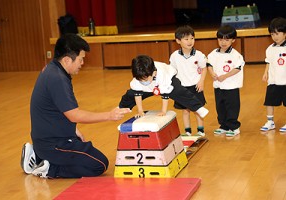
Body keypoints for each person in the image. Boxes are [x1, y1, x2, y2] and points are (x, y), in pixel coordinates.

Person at [20, 33, 131, 179]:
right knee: (99, 164)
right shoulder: (57, 79)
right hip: (52, 143)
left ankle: (39, 156)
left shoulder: (51, 69)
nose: (82, 63)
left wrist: (74, 129)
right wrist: (109, 115)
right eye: (81, 59)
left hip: (48, 138)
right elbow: (74, 114)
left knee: (84, 152)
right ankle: (48, 169)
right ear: (67, 60)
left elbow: (57, 108)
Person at [118, 55, 209, 119]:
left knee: (178, 91)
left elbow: (165, 94)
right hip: (151, 85)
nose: (143, 82)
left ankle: (198, 107)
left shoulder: (162, 74)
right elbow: (137, 94)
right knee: (130, 94)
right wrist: (140, 111)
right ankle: (121, 107)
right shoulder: (139, 78)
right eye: (141, 80)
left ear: (153, 73)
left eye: (145, 79)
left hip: (169, 79)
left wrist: (163, 111)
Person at [207, 25, 245, 137]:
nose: (223, 42)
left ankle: (234, 126)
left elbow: (237, 68)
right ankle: (223, 125)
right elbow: (209, 64)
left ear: (233, 40)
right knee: (220, 106)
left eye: (227, 39)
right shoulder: (214, 53)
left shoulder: (235, 55)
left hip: (231, 86)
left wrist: (225, 76)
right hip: (218, 86)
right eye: (220, 39)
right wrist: (212, 73)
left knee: (232, 106)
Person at [169, 25, 207, 137]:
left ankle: (200, 130)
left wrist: (201, 82)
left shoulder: (199, 55)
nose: (190, 41)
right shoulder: (174, 56)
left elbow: (204, 68)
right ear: (178, 41)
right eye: (186, 39)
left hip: (196, 86)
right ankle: (188, 131)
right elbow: (172, 71)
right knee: (185, 111)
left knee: (198, 109)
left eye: (192, 38)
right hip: (182, 88)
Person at [260, 17, 286, 133]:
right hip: (273, 80)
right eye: (272, 34)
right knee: (269, 102)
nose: (275, 36)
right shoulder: (270, 49)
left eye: (277, 33)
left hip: (285, 81)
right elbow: (268, 62)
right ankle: (270, 121)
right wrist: (265, 73)